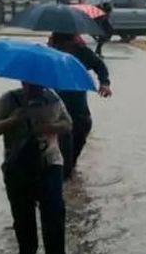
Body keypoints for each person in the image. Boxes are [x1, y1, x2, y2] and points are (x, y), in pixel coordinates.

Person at [0, 81, 72, 254]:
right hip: (17, 165)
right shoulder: (9, 99)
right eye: (31, 85)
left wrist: (49, 127)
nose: (36, 88)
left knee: (54, 211)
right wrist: (14, 120)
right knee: (22, 214)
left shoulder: (53, 98)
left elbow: (68, 124)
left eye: (40, 85)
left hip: (49, 162)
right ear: (23, 82)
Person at [47, 32, 112, 180]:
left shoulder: (81, 53)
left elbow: (100, 66)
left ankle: (69, 186)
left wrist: (105, 83)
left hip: (79, 113)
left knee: (71, 159)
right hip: (56, 115)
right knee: (62, 162)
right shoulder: (49, 55)